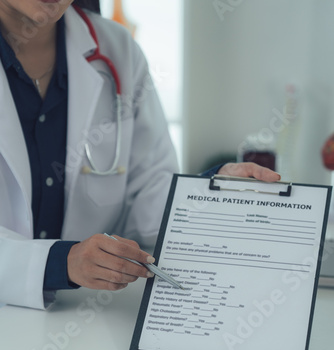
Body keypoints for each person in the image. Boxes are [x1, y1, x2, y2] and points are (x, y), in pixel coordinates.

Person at [0, 0, 280, 310]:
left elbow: (146, 201)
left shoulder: (118, 50)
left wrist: (208, 193)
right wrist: (58, 263)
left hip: (85, 319)